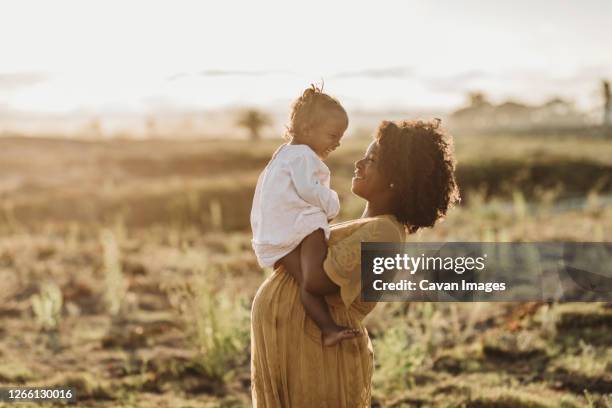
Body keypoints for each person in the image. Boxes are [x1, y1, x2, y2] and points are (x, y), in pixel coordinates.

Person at [251, 119, 460, 407]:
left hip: (314, 349)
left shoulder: (384, 232)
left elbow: (316, 281)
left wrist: (297, 238)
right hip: (298, 342)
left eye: (371, 159)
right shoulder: (371, 225)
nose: (359, 163)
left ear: (395, 178)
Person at [250, 85, 360, 346]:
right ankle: (338, 285)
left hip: (274, 234)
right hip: (298, 228)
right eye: (333, 135)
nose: (338, 143)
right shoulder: (302, 155)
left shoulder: (283, 154)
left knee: (304, 283)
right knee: (313, 280)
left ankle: (328, 329)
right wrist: (332, 204)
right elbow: (309, 190)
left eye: (340, 137)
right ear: (308, 129)